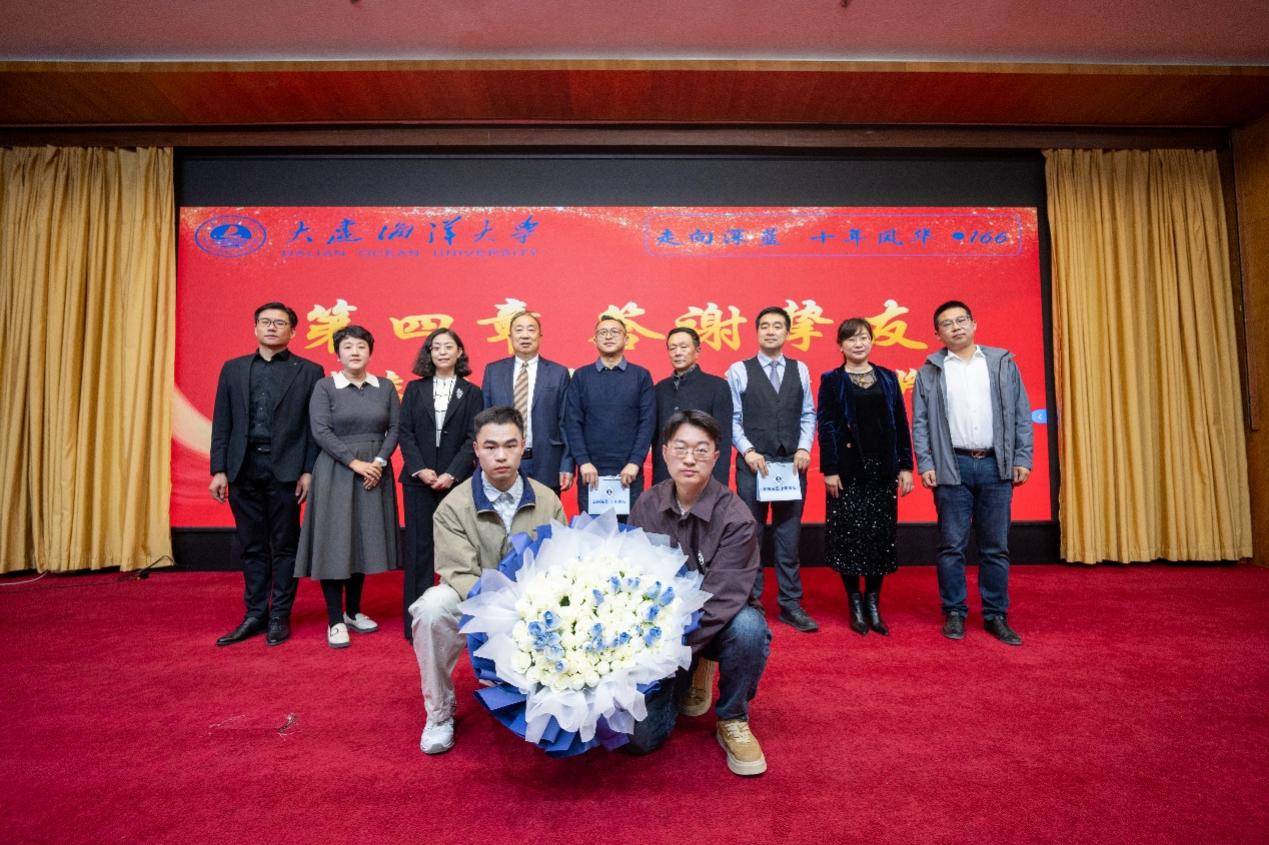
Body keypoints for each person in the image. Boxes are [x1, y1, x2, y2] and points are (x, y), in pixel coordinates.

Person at [412, 406, 566, 755]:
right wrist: (500, 610)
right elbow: (458, 572)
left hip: (535, 602)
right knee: (432, 608)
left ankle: (552, 695)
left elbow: (560, 562)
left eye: (510, 445)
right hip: (475, 598)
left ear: (523, 446)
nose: (501, 456)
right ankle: (439, 712)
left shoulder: (547, 499)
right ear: (476, 449)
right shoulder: (453, 506)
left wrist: (531, 604)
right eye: (491, 446)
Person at [626, 410, 771, 777]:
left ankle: (733, 716)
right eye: (681, 448)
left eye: (701, 450)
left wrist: (676, 653)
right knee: (639, 741)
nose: (690, 459)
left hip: (711, 626)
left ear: (716, 457)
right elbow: (631, 579)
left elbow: (722, 600)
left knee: (749, 627)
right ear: (664, 453)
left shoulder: (736, 517)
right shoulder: (646, 504)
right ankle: (692, 672)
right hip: (659, 631)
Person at [912, 300, 1034, 646]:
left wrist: (1022, 457)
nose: (956, 327)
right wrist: (926, 463)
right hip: (953, 465)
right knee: (952, 545)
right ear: (937, 334)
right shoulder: (930, 371)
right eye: (947, 323)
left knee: (995, 547)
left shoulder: (1001, 363)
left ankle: (996, 615)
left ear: (974, 324)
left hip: (997, 464)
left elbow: (1021, 414)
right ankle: (954, 611)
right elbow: (920, 423)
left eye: (961, 320)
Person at [209, 302, 324, 647]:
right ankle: (255, 613)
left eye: (280, 323)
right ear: (255, 328)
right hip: (242, 467)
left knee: (285, 546)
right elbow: (223, 422)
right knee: (252, 545)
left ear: (293, 331)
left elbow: (313, 427)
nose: (272, 327)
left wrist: (308, 470)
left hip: (286, 470)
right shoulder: (233, 369)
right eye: (266, 322)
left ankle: (280, 614)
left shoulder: (309, 371)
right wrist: (219, 469)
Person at [294, 325, 401, 649]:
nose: (355, 352)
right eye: (348, 347)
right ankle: (335, 620)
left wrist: (378, 463)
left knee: (361, 541)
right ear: (337, 353)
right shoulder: (325, 387)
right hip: (337, 471)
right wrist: (355, 463)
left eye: (361, 347)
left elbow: (395, 429)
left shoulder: (384, 387)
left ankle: (353, 611)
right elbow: (320, 431)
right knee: (335, 542)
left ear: (370, 352)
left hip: (375, 472)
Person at [817, 318, 915, 636]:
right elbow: (826, 426)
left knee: (879, 538)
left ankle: (873, 601)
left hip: (882, 470)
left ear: (872, 341)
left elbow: (900, 422)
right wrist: (830, 469)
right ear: (840, 345)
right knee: (848, 537)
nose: (858, 344)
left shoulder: (887, 377)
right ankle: (855, 602)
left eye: (863, 338)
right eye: (851, 339)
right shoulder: (832, 380)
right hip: (848, 472)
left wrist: (905, 466)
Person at [726, 306, 819, 633]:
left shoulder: (800, 369)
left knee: (788, 537)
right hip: (754, 464)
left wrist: (805, 447)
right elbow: (732, 418)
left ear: (787, 333)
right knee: (751, 536)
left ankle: (791, 604)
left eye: (777, 326)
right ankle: (751, 603)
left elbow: (808, 414)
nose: (770, 331)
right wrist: (748, 451)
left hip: (791, 465)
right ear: (756, 332)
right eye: (764, 326)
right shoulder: (739, 370)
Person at [399, 327, 483, 639]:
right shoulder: (414, 389)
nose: (442, 352)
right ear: (429, 353)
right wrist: (419, 469)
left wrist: (452, 473)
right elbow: (405, 431)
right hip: (418, 480)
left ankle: (456, 617)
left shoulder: (471, 392)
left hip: (456, 482)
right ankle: (415, 622)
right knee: (418, 550)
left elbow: (473, 436)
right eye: (436, 347)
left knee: (458, 550)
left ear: (459, 352)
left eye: (449, 347)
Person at [563, 314, 655, 517]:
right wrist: (583, 461)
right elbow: (573, 422)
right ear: (595, 340)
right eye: (602, 332)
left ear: (626, 339)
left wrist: (635, 462)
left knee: (630, 530)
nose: (608, 336)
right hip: (591, 472)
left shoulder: (641, 376)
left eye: (615, 332)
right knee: (591, 532)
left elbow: (647, 422)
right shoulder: (581, 376)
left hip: (629, 472)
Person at [479, 310, 574, 493]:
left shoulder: (558, 373)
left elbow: (566, 422)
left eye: (531, 329)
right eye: (519, 330)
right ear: (510, 336)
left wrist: (567, 464)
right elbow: (484, 421)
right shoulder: (494, 371)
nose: (525, 335)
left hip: (547, 461)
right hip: (502, 460)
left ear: (540, 336)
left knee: (545, 510)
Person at [652, 326, 732, 486]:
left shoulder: (717, 386)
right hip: (665, 476)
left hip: (702, 474)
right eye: (672, 348)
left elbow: (723, 440)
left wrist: (718, 485)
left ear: (697, 351)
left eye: (683, 347)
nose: (678, 352)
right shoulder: (659, 388)